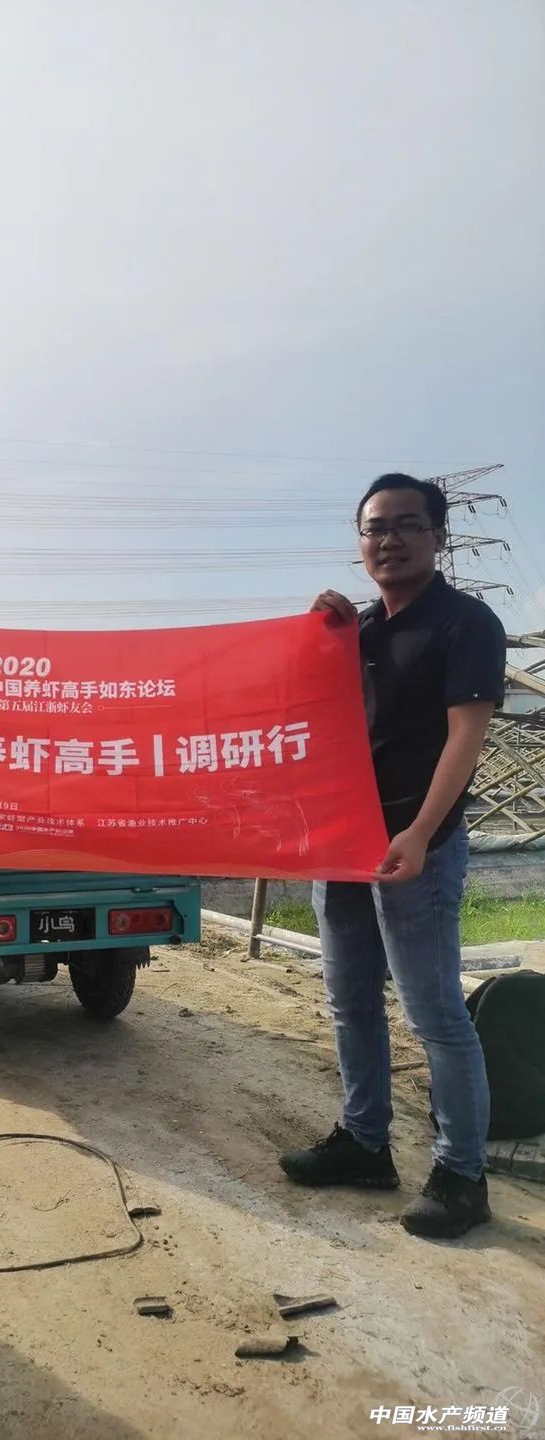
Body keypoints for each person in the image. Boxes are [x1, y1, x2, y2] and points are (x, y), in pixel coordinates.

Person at [279, 473, 507, 1238]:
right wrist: (320, 636)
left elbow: (464, 739)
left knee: (434, 1012)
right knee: (350, 1001)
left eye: (407, 525)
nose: (390, 540)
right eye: (375, 528)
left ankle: (462, 1174)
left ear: (439, 536)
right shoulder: (362, 630)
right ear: (360, 544)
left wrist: (419, 831)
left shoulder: (466, 624)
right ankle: (364, 1142)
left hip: (418, 848)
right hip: (346, 846)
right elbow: (314, 712)